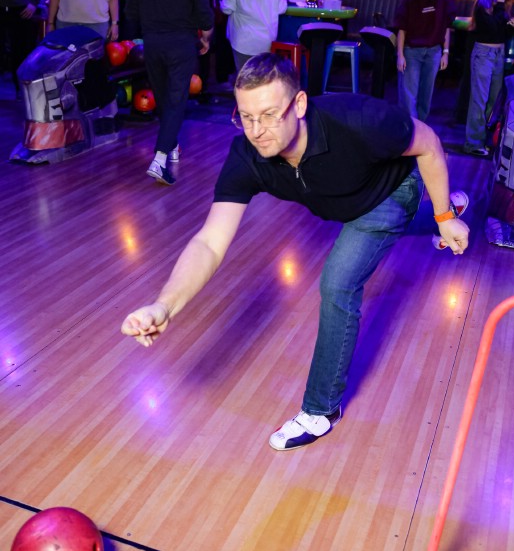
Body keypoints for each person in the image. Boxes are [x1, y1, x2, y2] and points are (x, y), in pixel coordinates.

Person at [121, 52, 469, 451]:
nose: (258, 131)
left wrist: (442, 215)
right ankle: (445, 215)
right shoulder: (247, 157)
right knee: (387, 230)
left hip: (391, 191)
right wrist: (165, 306)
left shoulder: (356, 118)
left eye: (270, 115)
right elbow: (209, 242)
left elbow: (429, 144)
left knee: (338, 282)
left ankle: (321, 410)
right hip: (342, 201)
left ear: (299, 104)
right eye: (246, 117)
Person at [125, 0, 214, 186]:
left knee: (164, 98)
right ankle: (160, 158)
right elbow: (205, 16)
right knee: (175, 100)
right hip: (182, 44)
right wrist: (205, 39)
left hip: (153, 44)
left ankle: (171, 145)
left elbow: (131, 13)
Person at [464, 0, 514, 156]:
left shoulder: (502, 5)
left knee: (494, 100)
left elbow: (501, 34)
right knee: (479, 100)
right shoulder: (483, 5)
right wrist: (500, 7)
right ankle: (473, 143)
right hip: (484, 54)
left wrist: (511, 25)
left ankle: (484, 139)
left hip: (498, 54)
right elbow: (491, 30)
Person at [395, 0, 456, 121]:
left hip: (434, 52)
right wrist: (400, 55)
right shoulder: (409, 1)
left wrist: (446, 52)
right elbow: (401, 29)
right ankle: (410, 129)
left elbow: (446, 28)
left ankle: (421, 128)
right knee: (409, 96)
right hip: (411, 52)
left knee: (426, 96)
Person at [220, 0, 287, 72]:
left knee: (243, 77)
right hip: (266, 43)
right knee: (261, 78)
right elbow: (282, 9)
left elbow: (226, 9)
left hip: (242, 42)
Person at [187, 0, 220, 100]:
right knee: (198, 54)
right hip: (195, 19)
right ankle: (196, 91)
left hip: (206, 15)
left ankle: (202, 90)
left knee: (205, 56)